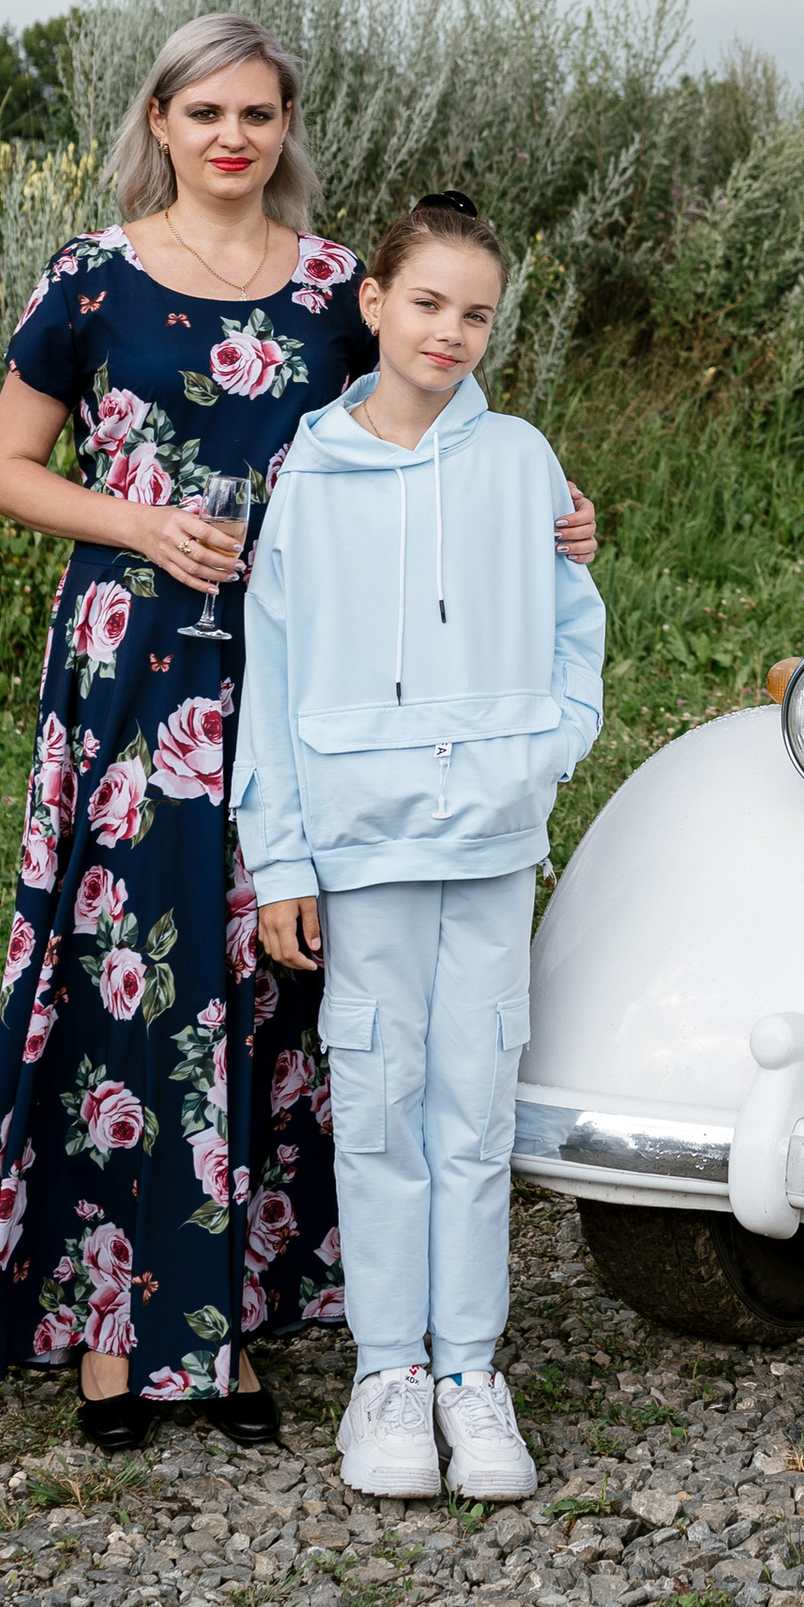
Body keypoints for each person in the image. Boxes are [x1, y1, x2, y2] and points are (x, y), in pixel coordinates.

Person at [0, 18, 599, 1451]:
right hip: (135, 669)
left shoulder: (325, 285)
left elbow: (423, 418)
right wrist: (141, 519)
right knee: (129, 972)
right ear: (159, 119)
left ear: (286, 126)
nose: (234, 134)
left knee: (273, 979)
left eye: (260, 111)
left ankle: (233, 1318)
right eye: (207, 109)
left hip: (307, 675)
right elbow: (2, 467)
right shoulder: (91, 276)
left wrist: (547, 514)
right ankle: (112, 1328)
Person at [237, 192, 605, 1505]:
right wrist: (281, 855)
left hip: (491, 837)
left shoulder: (519, 460)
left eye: (478, 311)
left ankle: (471, 1370)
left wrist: (548, 741)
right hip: (361, 846)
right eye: (430, 302)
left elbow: (576, 617)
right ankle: (387, 1372)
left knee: (473, 1101)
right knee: (380, 1099)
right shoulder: (310, 470)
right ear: (375, 302)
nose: (451, 330)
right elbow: (271, 669)